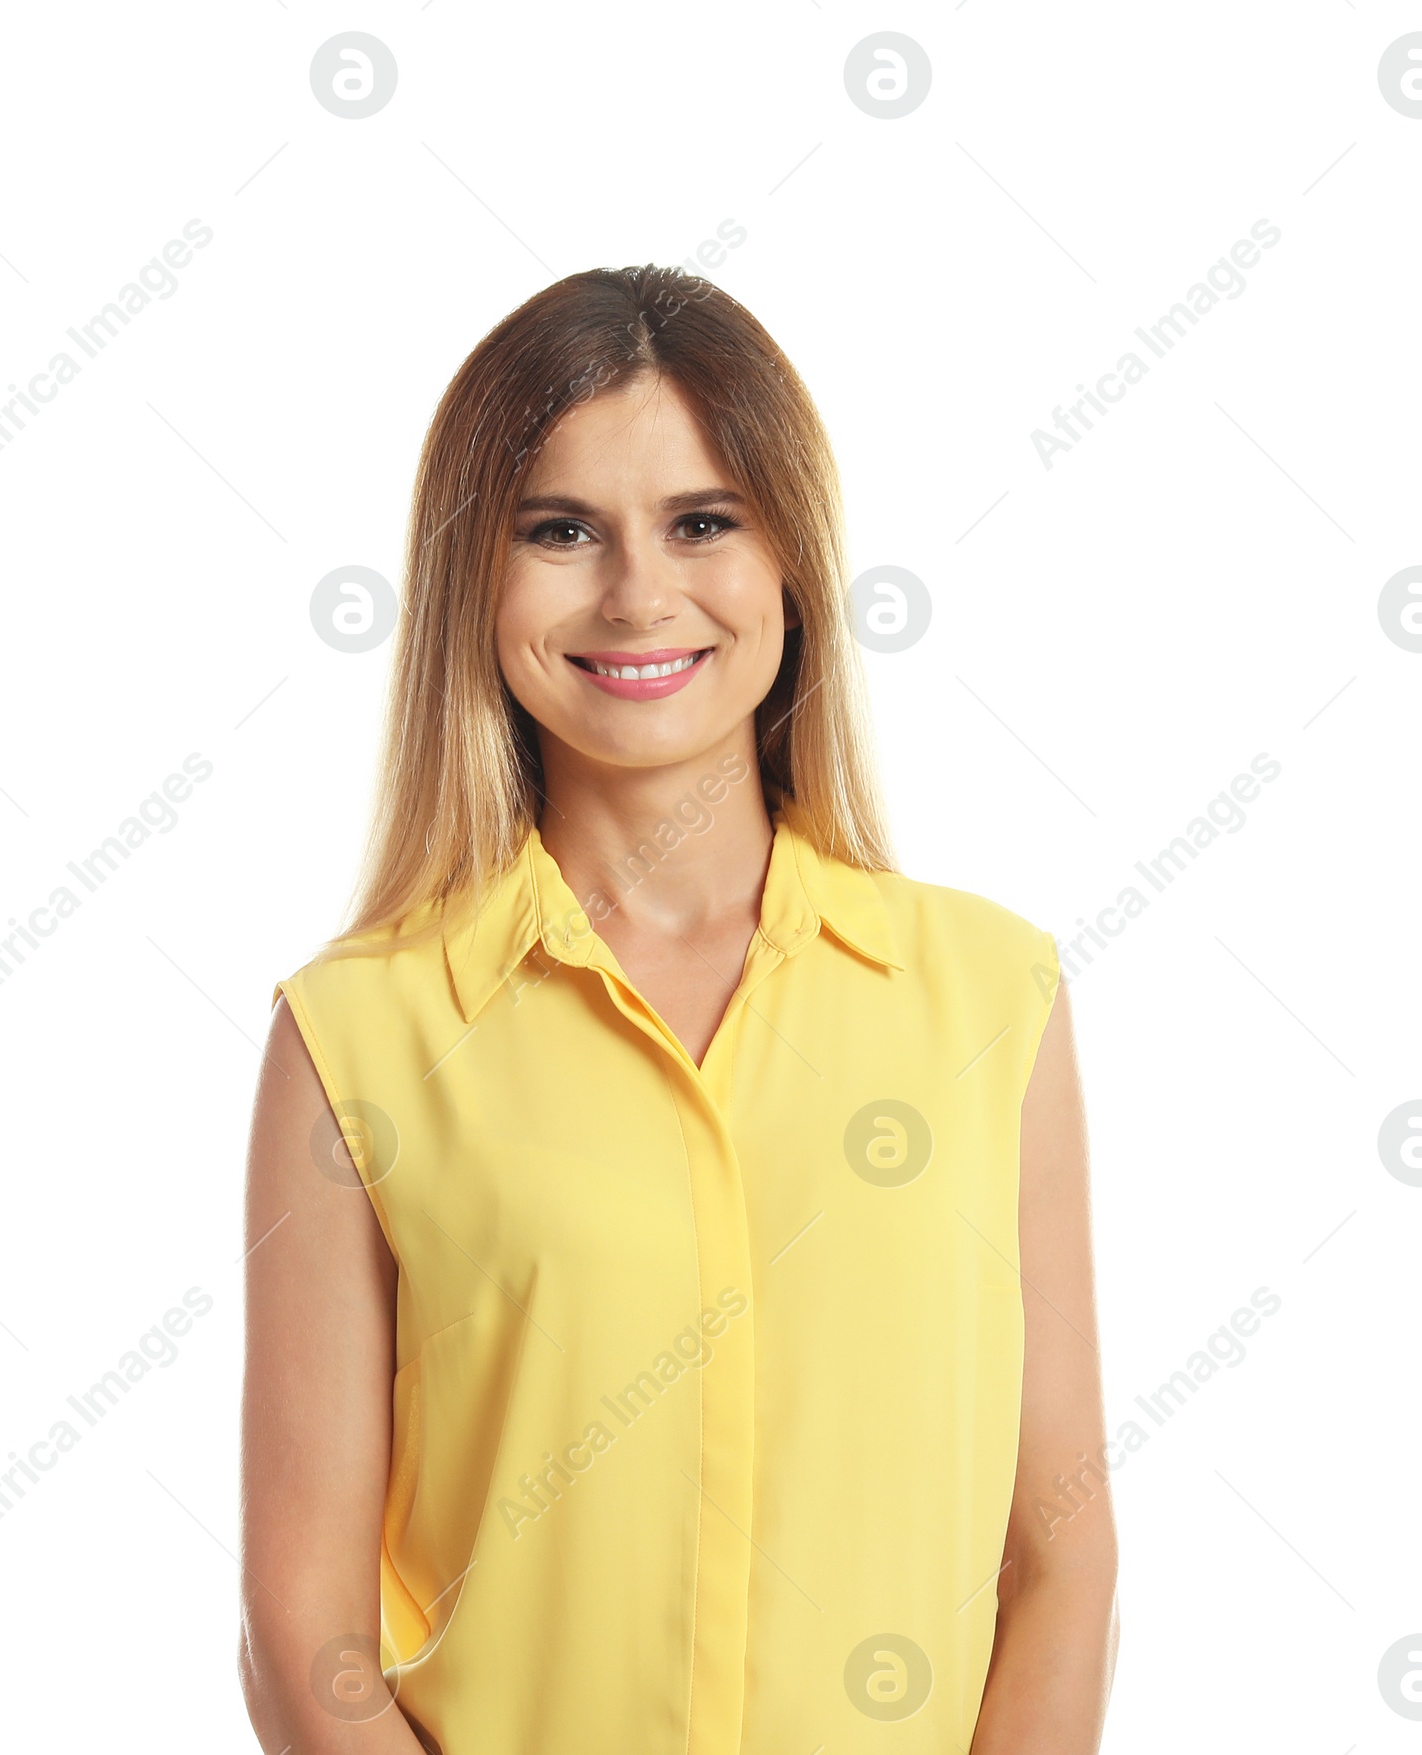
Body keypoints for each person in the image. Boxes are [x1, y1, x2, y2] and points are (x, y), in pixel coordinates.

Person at [237, 265, 1118, 1755]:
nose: (639, 594)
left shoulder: (991, 997)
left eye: (703, 521)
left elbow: (1059, 1556)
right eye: (561, 531)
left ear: (791, 566)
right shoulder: (358, 1037)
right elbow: (303, 1629)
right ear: (477, 578)